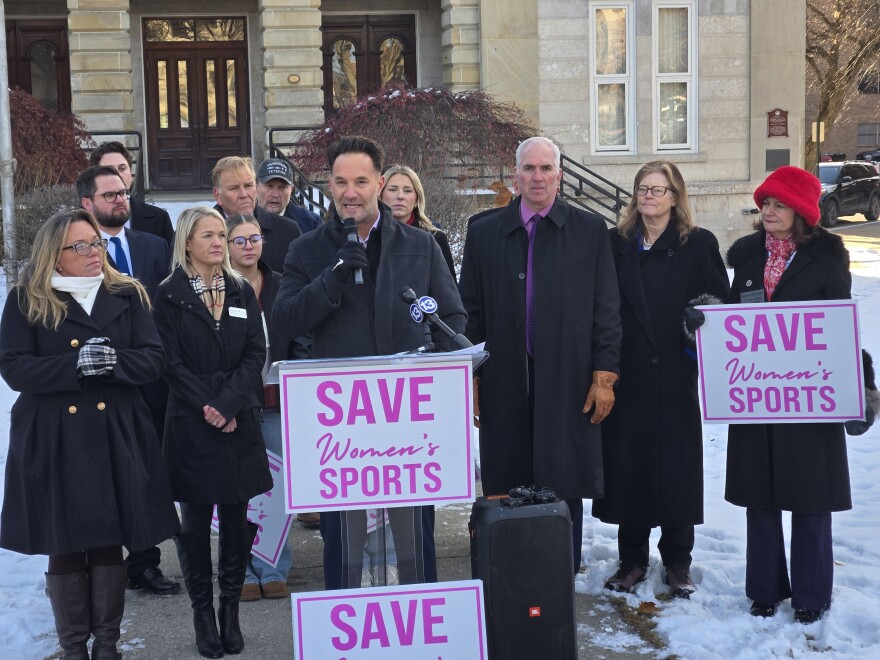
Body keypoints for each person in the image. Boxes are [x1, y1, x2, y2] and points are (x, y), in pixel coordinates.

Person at [273, 135, 466, 590]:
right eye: (340, 182)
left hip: (406, 417)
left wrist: (428, 366)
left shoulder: (420, 245)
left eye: (361, 181)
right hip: (341, 424)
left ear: (380, 183)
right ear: (329, 185)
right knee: (344, 538)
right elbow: (284, 320)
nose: (350, 192)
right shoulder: (306, 250)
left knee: (413, 536)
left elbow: (452, 318)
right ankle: (350, 630)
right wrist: (334, 275)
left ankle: (419, 625)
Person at [0, 209, 179, 659]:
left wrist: (113, 363)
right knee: (63, 542)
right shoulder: (26, 298)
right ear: (54, 255)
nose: (93, 253)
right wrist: (73, 366)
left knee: (106, 538)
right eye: (80, 247)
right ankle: (73, 647)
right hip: (54, 435)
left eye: (95, 244)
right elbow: (14, 366)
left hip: (115, 430)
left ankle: (107, 646)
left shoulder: (128, 293)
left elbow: (154, 359)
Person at [458, 136, 622, 574]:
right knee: (506, 471)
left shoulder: (589, 232)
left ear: (560, 176)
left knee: (562, 473)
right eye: (529, 169)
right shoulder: (484, 230)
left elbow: (606, 306)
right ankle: (510, 565)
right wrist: (468, 375)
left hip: (569, 376)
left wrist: (605, 374)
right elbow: (469, 310)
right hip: (502, 376)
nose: (537, 177)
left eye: (546, 169)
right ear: (515, 175)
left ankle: (559, 568)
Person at [592, 161, 730, 597]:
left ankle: (677, 562)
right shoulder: (617, 244)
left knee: (676, 469)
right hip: (626, 373)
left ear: (675, 196)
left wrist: (693, 338)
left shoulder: (698, 243)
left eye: (658, 189)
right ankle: (631, 559)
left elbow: (717, 308)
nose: (649, 196)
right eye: (642, 189)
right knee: (629, 466)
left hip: (674, 372)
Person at [722, 166, 852, 624]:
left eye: (778, 204)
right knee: (761, 496)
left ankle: (812, 595)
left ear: (801, 211)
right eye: (764, 203)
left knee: (810, 498)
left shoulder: (828, 257)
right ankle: (764, 588)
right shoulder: (747, 257)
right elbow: (732, 318)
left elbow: (840, 324)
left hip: (809, 396)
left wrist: (858, 388)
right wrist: (704, 319)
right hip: (758, 394)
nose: (768, 211)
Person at [153, 207, 272, 657]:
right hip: (191, 424)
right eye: (209, 235)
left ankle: (230, 611)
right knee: (196, 525)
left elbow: (253, 353)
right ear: (188, 242)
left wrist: (229, 404)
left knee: (237, 520)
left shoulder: (240, 288)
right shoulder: (167, 295)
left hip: (236, 422)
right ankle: (203, 613)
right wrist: (210, 405)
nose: (220, 242)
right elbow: (169, 362)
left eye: (222, 234)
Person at [76, 164, 180, 597]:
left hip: (150, 382)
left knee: (143, 478)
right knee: (97, 483)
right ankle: (95, 565)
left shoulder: (155, 247)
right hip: (93, 389)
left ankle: (144, 564)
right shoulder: (74, 251)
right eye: (110, 195)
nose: (121, 200)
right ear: (87, 203)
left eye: (123, 192)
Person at [224, 213, 298, 602]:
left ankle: (274, 567)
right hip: (236, 402)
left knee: (277, 488)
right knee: (239, 490)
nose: (249, 245)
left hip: (277, 402)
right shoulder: (216, 288)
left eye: (255, 238)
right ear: (226, 246)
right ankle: (241, 570)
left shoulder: (282, 285)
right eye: (240, 240)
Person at [212, 156, 302, 271]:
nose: (244, 194)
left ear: (256, 187)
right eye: (234, 188)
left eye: (248, 186)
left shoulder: (288, 230)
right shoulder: (200, 234)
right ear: (217, 195)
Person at [89, 141, 175, 245]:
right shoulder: (78, 222)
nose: (117, 175)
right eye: (109, 170)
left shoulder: (159, 218)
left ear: (130, 172)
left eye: (122, 168)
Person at [380, 164, 456, 278]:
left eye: (407, 190)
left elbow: (448, 291)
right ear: (380, 195)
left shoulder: (436, 238)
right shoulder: (369, 236)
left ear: (417, 198)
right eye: (392, 189)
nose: (400, 196)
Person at [256, 157, 322, 234]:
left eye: (282, 187)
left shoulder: (311, 224)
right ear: (255, 186)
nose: (275, 195)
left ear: (291, 189)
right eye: (269, 186)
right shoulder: (243, 221)